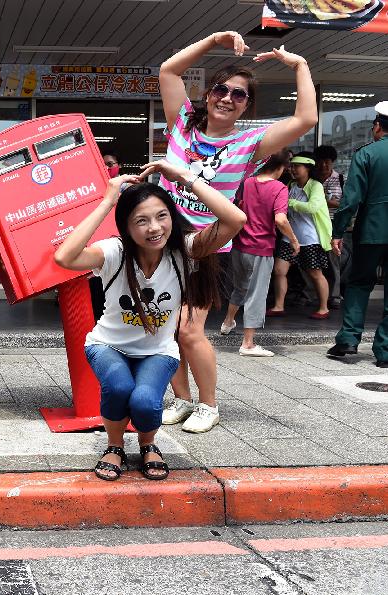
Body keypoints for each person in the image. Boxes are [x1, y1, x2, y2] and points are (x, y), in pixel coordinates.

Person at [157, 31, 317, 433]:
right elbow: (168, 70)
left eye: (239, 94)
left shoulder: (249, 142)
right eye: (221, 89)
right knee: (163, 329)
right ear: (209, 94)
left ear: (247, 106)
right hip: (161, 239)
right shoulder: (182, 127)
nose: (227, 97)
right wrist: (212, 40)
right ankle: (181, 398)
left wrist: (299, 66)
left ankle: (208, 405)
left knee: (189, 329)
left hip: (209, 243)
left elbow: (306, 119)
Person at [54, 160, 245, 482]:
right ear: (126, 227)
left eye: (161, 216)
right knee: (118, 387)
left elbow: (235, 219)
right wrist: (107, 201)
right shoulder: (114, 251)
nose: (154, 228)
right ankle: (114, 446)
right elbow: (65, 257)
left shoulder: (185, 250)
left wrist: (186, 178)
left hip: (157, 351)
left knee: (143, 400)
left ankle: (147, 445)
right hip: (107, 346)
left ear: (172, 217)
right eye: (140, 221)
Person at [220, 150, 299, 356]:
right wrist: (293, 240)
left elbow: (234, 207)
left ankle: (228, 322)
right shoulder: (279, 188)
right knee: (257, 293)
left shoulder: (246, 183)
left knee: (240, 287)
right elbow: (281, 220)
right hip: (261, 248)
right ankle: (248, 343)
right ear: (281, 168)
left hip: (239, 246)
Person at [327, 102, 388, 367]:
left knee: (360, 284)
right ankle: (385, 352)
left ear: (377, 126)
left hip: (371, 231)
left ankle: (348, 341)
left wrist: (337, 231)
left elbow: (350, 200)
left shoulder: (367, 154)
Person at [268, 152, 332, 319]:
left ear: (308, 168)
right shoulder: (290, 185)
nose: (292, 169)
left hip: (310, 239)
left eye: (297, 166)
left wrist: (288, 202)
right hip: (289, 237)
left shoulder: (315, 186)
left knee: (315, 273)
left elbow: (312, 207)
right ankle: (278, 306)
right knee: (279, 270)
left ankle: (324, 308)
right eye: (292, 166)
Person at [315, 144, 346, 309]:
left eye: (327, 161)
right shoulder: (311, 179)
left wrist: (324, 202)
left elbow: (345, 204)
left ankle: (334, 295)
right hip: (313, 225)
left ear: (332, 162)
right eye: (320, 161)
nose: (324, 165)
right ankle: (313, 294)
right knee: (312, 260)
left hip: (333, 226)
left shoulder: (340, 179)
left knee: (335, 260)